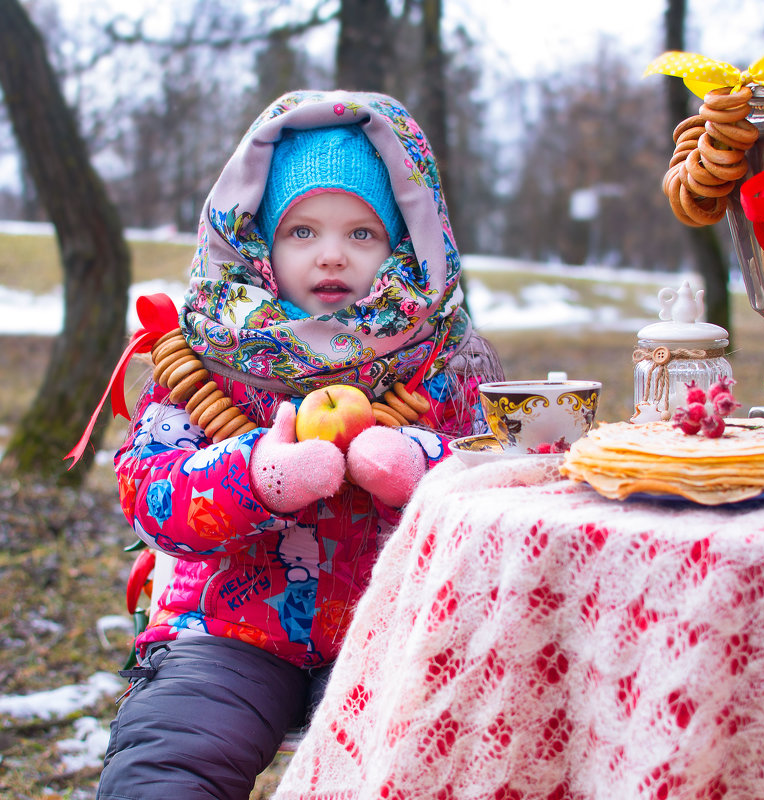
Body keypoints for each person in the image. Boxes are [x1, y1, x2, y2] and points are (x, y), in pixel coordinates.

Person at [94, 89, 503, 800]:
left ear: (406, 242)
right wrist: (256, 476)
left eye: (363, 234)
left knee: (443, 763)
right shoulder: (210, 351)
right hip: (227, 625)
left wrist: (420, 466)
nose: (332, 255)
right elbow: (149, 491)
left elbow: (500, 473)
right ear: (260, 241)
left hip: (396, 630)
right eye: (303, 232)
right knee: (168, 764)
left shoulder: (444, 355)